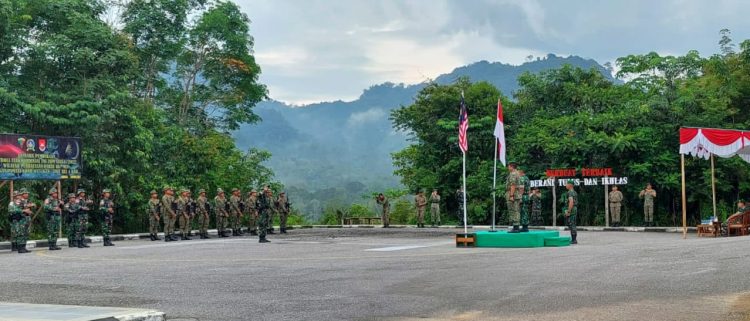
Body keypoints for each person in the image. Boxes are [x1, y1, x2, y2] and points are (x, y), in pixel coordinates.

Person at [505, 162, 522, 233]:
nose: (508, 168)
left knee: (513, 210)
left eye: (509, 166)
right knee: (516, 210)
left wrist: (511, 195)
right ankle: (516, 226)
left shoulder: (513, 174)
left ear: (512, 167)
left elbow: (513, 185)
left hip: (513, 194)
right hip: (517, 194)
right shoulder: (517, 173)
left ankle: (515, 227)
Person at [564, 180, 578, 244]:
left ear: (570, 185)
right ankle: (573, 239)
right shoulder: (574, 192)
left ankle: (574, 240)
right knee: (572, 224)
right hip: (574, 209)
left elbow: (571, 202)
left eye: (567, 184)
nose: (566, 185)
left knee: (572, 224)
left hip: (572, 209)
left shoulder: (570, 192)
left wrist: (569, 211)